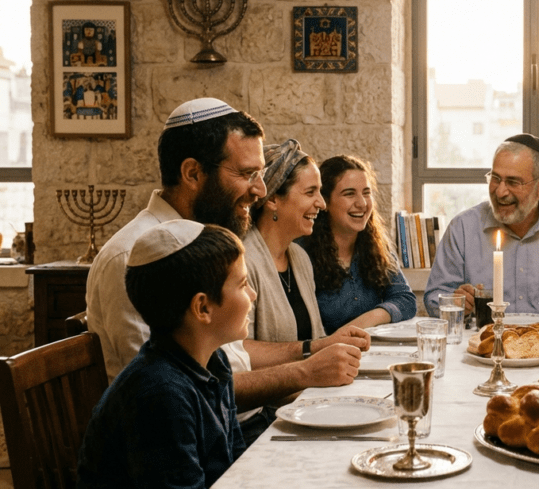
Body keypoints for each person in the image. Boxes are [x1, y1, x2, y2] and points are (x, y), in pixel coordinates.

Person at [86, 98, 368, 446]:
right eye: (247, 174)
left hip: (241, 425)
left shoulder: (208, 243)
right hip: (194, 449)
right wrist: (305, 371)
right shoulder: (137, 256)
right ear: (192, 173)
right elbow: (175, 394)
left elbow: (233, 359)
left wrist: (315, 349)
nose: (261, 191)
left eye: (260, 175)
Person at [76, 221, 250, 489]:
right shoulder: (160, 394)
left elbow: (235, 472)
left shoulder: (213, 362)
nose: (253, 295)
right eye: (243, 284)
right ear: (202, 308)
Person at [425, 133, 539, 316]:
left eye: (513, 182)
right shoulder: (462, 228)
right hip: (485, 343)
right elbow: (434, 297)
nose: (500, 192)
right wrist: (454, 302)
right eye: (495, 178)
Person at [301, 155, 416, 331]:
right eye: (349, 194)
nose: (362, 203)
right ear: (325, 201)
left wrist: (365, 321)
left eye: (366, 193)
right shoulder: (301, 254)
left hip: (372, 353)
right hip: (325, 355)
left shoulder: (378, 247)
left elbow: (406, 300)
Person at [243, 139, 330, 343]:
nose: (322, 204)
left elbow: (315, 337)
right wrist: (311, 351)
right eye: (310, 192)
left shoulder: (300, 258)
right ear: (272, 199)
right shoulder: (243, 262)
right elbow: (239, 352)